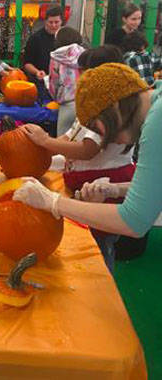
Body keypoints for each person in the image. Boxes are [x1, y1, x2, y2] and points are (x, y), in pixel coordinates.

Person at [14, 63, 162, 245]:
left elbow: (133, 221)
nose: (106, 139)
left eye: (95, 126)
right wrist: (118, 189)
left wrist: (53, 201)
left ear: (113, 106)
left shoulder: (158, 120)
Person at [23, 46, 129, 272]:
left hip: (105, 187)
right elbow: (70, 135)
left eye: (86, 74)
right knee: (88, 238)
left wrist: (46, 142)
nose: (80, 80)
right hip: (84, 187)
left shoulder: (112, 107)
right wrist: (39, 149)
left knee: (101, 242)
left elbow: (87, 149)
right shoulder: (91, 102)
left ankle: (103, 280)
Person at [48, 26, 85, 135]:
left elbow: (53, 81)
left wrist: (55, 97)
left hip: (67, 103)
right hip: (85, 102)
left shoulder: (56, 57)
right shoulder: (85, 54)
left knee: (64, 142)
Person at [23, 5, 63, 101]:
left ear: (62, 22)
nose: (53, 25)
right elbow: (27, 63)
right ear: (45, 21)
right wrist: (37, 72)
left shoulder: (65, 38)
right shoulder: (35, 38)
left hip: (62, 85)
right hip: (41, 84)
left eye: (56, 22)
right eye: (50, 22)